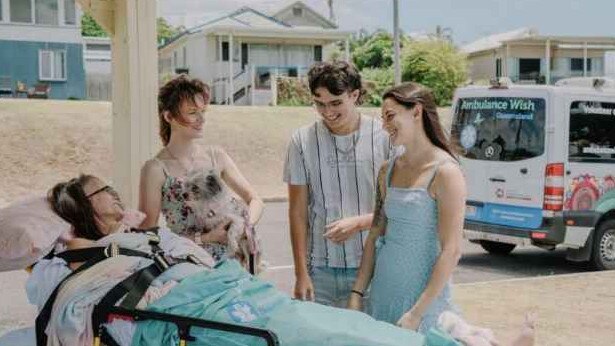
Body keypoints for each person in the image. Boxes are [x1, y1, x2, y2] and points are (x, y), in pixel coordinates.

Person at [348, 82, 465, 333]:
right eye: (382, 118)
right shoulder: (386, 170)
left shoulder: (446, 173)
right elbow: (375, 234)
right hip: (381, 297)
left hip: (422, 309)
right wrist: (357, 293)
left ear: (416, 111)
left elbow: (451, 251)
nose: (385, 125)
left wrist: (416, 313)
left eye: (390, 116)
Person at [283, 61, 391, 307]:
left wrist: (360, 222)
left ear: (354, 95)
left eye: (335, 103)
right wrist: (301, 273)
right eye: (319, 103)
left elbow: (399, 206)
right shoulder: (301, 141)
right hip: (319, 270)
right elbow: (297, 212)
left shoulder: (384, 137)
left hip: (373, 268)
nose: (327, 111)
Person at [139, 75, 264, 262]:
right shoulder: (155, 169)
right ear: (169, 116)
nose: (201, 119)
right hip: (189, 265)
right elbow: (147, 234)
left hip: (236, 262)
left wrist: (243, 228)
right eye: (192, 112)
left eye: (203, 111)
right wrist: (206, 238)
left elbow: (255, 199)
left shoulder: (216, 156)